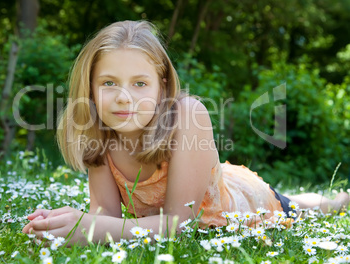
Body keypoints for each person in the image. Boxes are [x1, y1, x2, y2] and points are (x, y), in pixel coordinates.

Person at [22, 20, 349, 246]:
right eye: (109, 83)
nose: (124, 97)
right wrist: (69, 223)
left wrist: (94, 229)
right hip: (210, 179)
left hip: (244, 203)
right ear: (90, 89)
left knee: (298, 205)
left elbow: (183, 225)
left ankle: (336, 201)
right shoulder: (101, 134)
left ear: (162, 86)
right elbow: (105, 215)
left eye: (140, 83)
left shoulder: (188, 114)